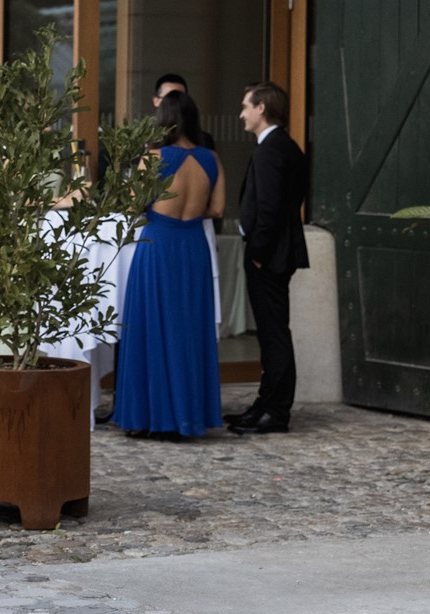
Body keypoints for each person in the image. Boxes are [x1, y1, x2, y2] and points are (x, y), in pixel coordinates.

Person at [112, 92, 224, 441]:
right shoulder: (211, 159)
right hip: (193, 247)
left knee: (149, 325)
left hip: (157, 244)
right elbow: (217, 210)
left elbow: (132, 205)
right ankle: (187, 417)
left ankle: (146, 417)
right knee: (189, 329)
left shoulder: (153, 158)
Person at [228, 82, 310, 435]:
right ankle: (266, 403)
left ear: (261, 108)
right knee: (272, 331)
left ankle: (275, 410)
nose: (242, 113)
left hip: (269, 256)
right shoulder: (282, 147)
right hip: (276, 253)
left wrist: (258, 253)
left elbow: (270, 208)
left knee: (273, 332)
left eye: (246, 106)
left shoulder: (271, 150)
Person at [152, 74, 217, 150]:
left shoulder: (204, 139)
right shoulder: (144, 139)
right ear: (156, 101)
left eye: (181, 98)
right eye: (170, 98)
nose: (176, 104)